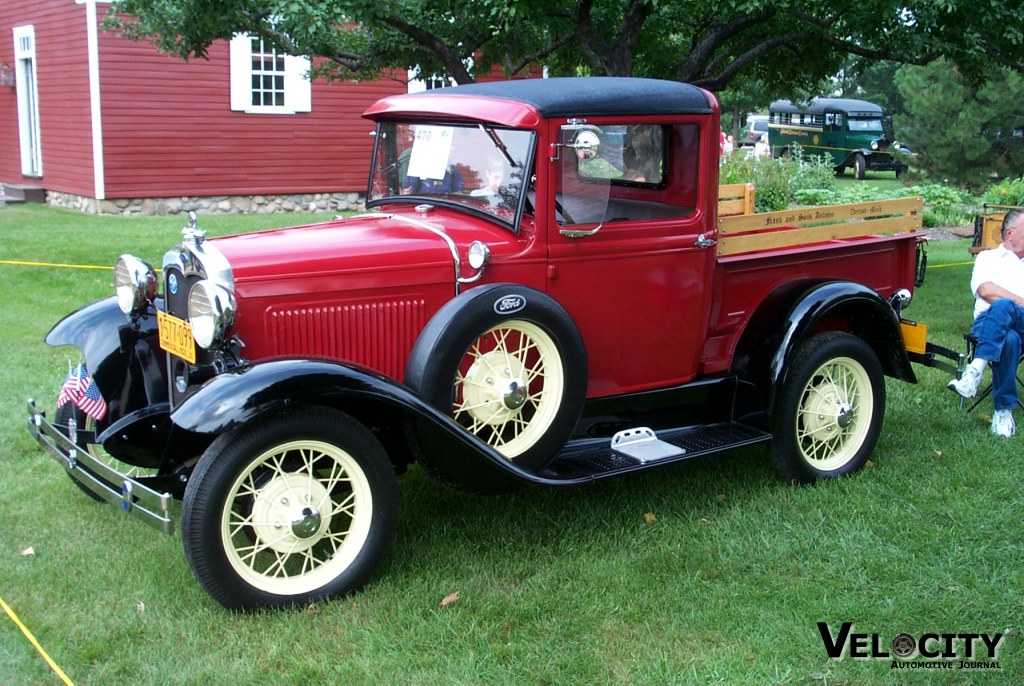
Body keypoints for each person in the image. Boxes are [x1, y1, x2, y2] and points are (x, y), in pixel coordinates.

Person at [948, 208, 1024, 437]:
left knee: (1004, 306)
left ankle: (974, 372)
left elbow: (995, 293)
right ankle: (1003, 411)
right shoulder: (987, 258)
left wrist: (1012, 304)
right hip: (987, 323)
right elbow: (985, 290)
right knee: (1009, 338)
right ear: (1010, 233)